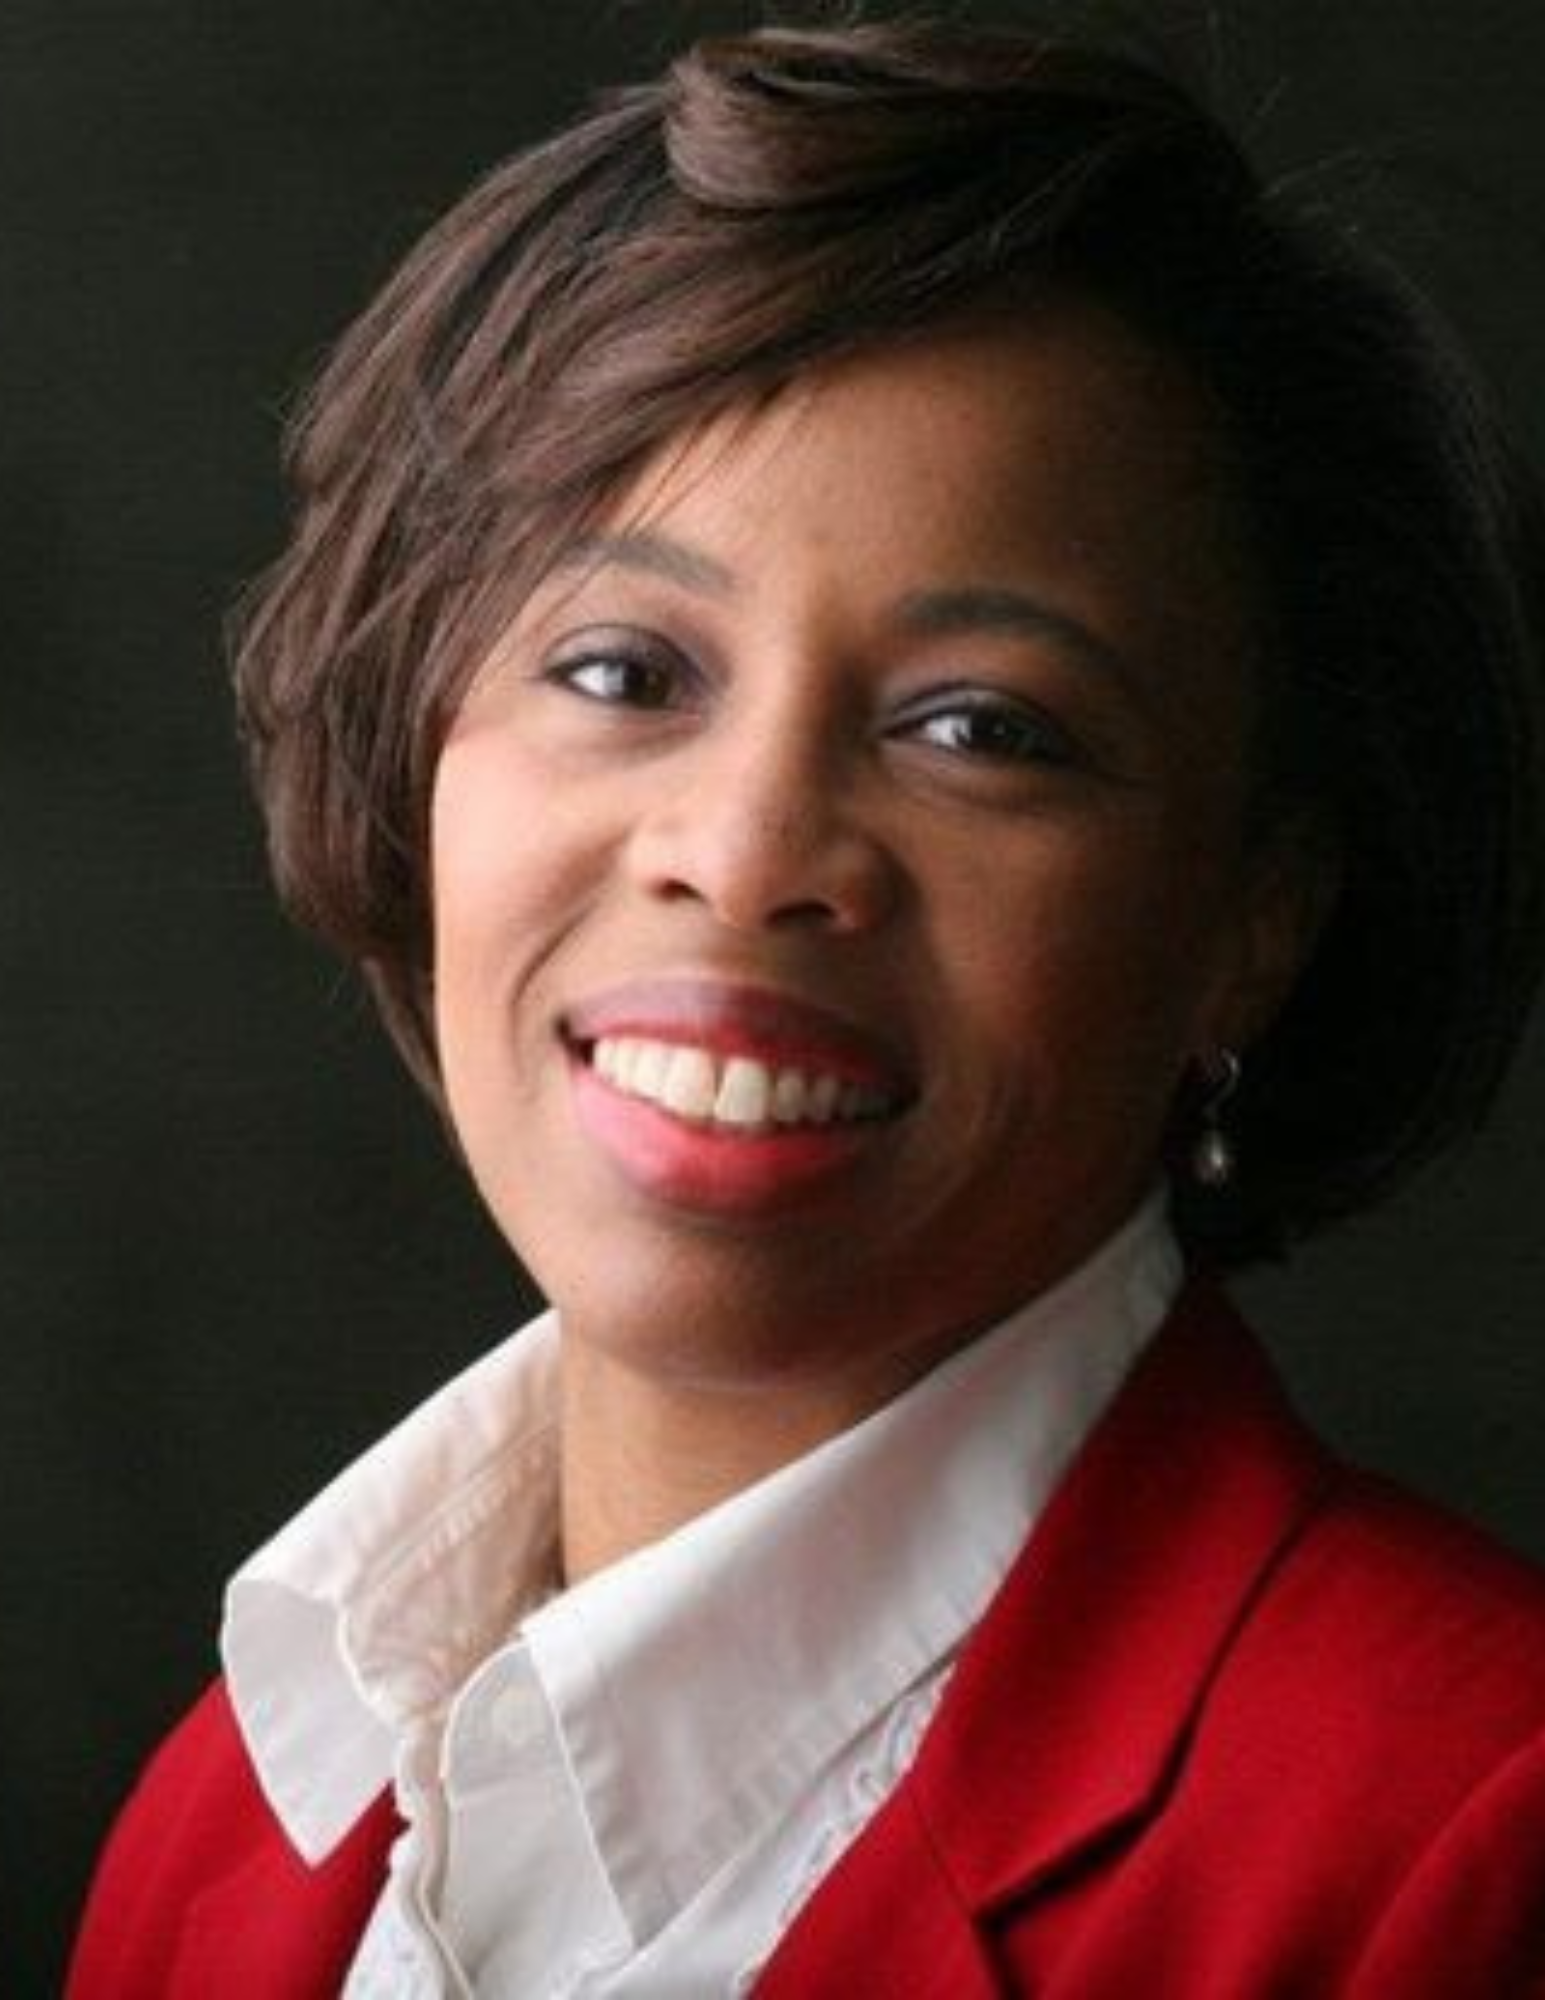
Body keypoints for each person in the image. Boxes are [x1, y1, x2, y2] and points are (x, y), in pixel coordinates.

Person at [69, 14, 1545, 1996]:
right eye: (620, 670)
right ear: (417, 737)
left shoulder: (1466, 1833)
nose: (749, 847)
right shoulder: (241, 1809)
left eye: (979, 726)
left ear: (1248, 920)